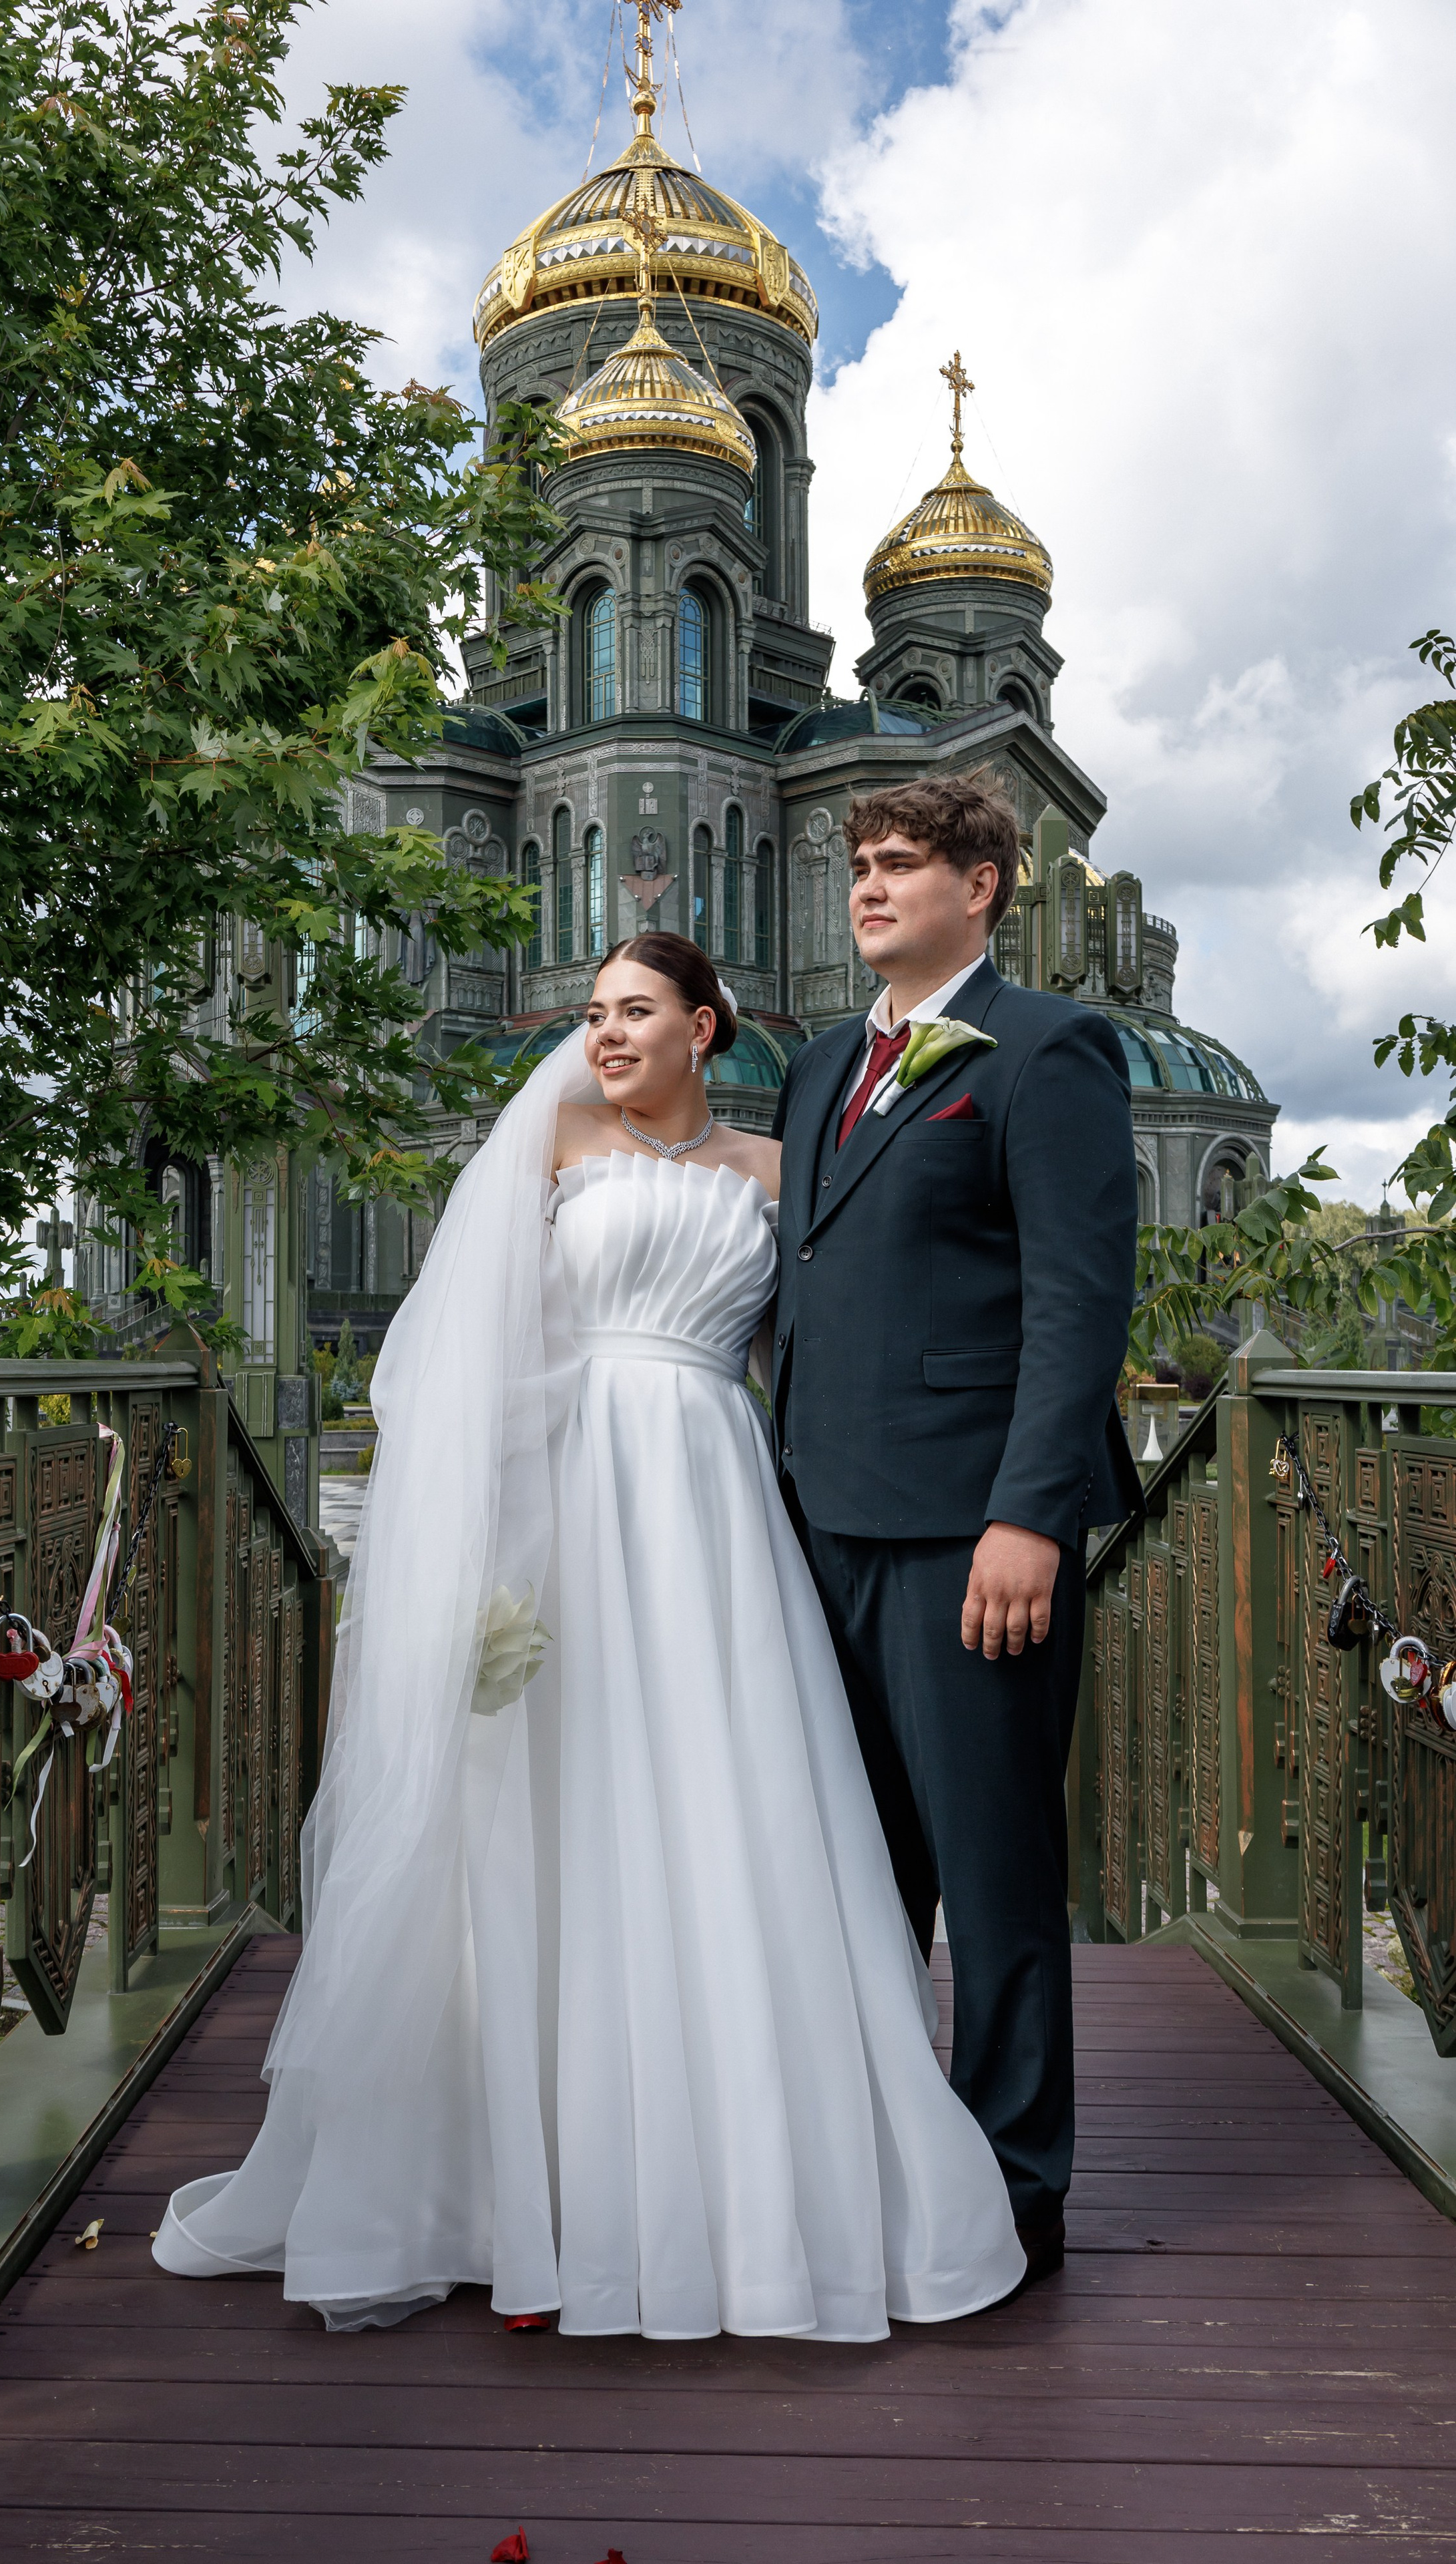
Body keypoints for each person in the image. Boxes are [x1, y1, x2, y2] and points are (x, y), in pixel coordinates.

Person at [153, 929, 1025, 2338]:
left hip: (715, 1508)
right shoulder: (547, 1142)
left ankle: (740, 2193)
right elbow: (466, 1353)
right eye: (594, 1011)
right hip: (569, 1505)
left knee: (721, 1808)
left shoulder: (773, 1172)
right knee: (557, 1819)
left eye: (636, 1011)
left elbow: (830, 1345)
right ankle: (523, 2192)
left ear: (705, 1024)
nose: (606, 1033)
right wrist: (460, 1552)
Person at [770, 775, 1141, 2283]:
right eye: (857, 865)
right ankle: (873, 2151)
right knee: (855, 1873)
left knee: (987, 1873)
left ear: (980, 886)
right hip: (816, 1528)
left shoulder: (1050, 1052)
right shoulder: (811, 1072)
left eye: (901, 863)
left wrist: (1028, 1519)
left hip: (967, 1536)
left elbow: (1073, 1303)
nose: (868, 887)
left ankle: (1008, 2185)